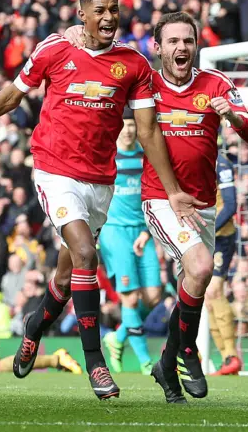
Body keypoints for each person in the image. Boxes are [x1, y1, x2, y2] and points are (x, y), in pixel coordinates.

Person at [0, 0, 204, 399]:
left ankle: (36, 325)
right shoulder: (55, 49)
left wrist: (174, 190)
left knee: (65, 274)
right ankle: (96, 364)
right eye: (99, 10)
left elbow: (147, 131)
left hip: (100, 182)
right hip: (54, 172)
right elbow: (10, 98)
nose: (109, 17)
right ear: (81, 14)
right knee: (86, 256)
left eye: (114, 9)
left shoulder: (133, 65)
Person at [140, 12, 248, 402]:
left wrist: (234, 119)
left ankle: (165, 364)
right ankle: (187, 353)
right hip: (161, 198)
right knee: (201, 268)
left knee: (193, 283)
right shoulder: (146, 84)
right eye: (172, 41)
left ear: (196, 46)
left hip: (203, 205)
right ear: (158, 48)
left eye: (187, 41)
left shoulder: (217, 84)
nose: (181, 48)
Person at [100, 108, 162, 375]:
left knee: (153, 297)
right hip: (115, 232)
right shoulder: (106, 156)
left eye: (131, 125)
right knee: (131, 300)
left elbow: (153, 191)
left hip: (142, 230)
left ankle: (118, 336)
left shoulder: (144, 154)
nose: (128, 130)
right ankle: (146, 362)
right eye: (124, 125)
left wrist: (148, 231)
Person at [205, 155, 243, 376]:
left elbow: (230, 205)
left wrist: (209, 229)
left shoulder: (221, 163)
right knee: (208, 299)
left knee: (214, 290)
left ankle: (231, 355)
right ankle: (226, 359)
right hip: (200, 236)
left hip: (220, 236)